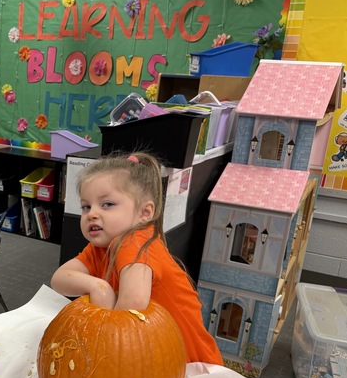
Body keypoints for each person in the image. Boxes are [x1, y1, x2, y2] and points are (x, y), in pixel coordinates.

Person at [50, 152, 222, 365]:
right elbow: (59, 279)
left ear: (145, 213)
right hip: (150, 358)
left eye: (107, 204)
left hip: (189, 367)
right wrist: (97, 287)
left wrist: (100, 348)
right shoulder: (98, 249)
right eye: (86, 206)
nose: (91, 214)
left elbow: (133, 305)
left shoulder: (135, 242)